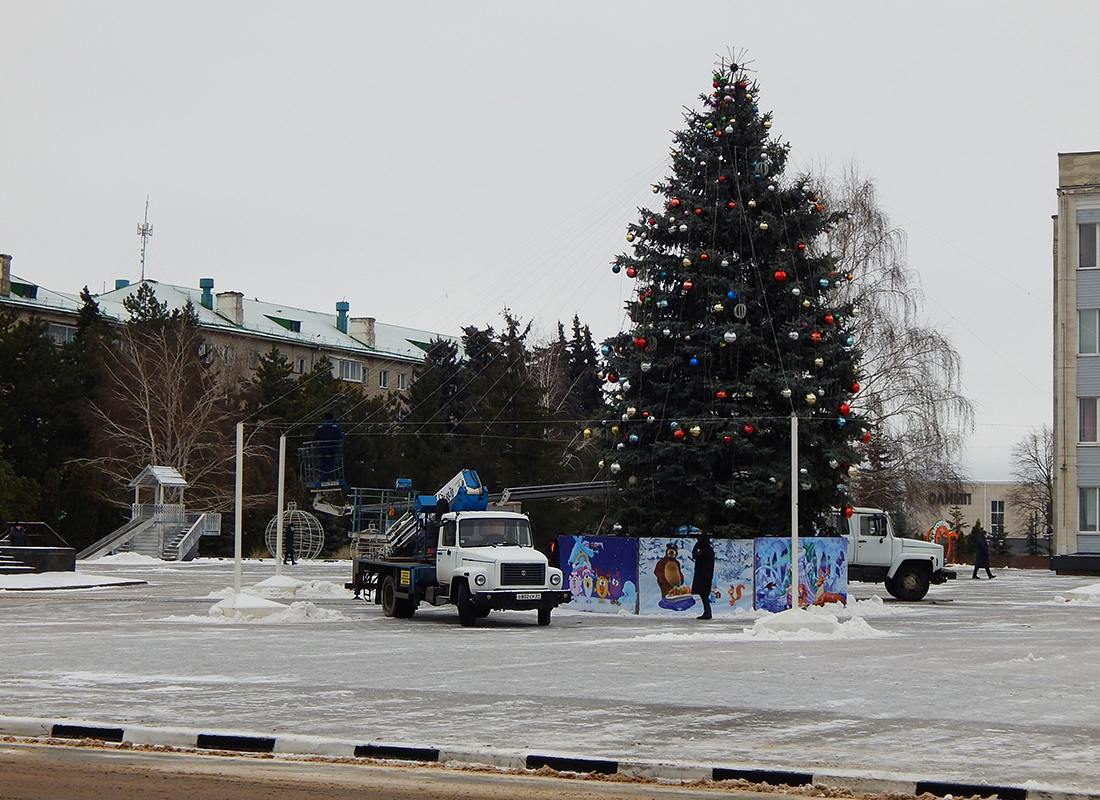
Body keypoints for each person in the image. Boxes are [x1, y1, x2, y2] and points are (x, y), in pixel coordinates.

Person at [691, 535, 716, 620]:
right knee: (703, 594)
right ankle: (707, 612)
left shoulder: (707, 550)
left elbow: (695, 555)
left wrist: (696, 546)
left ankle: (707, 613)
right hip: (704, 575)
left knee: (704, 594)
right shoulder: (707, 549)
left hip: (704, 576)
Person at [314, 414, 343, 482]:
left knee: (323, 462)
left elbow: (316, 436)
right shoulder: (335, 426)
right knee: (330, 463)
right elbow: (339, 436)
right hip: (332, 447)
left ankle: (322, 475)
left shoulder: (320, 426)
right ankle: (324, 477)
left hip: (322, 447)